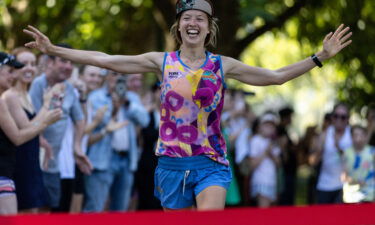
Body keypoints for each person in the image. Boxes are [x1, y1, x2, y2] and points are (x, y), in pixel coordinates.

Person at [23, 0, 352, 210]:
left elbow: (276, 76)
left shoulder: (222, 65)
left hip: (211, 162)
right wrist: (56, 51)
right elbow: (106, 60)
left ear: (208, 28)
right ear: (179, 26)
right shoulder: (161, 62)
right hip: (170, 165)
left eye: (199, 19)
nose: (192, 23)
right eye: (187, 18)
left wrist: (319, 57)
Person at [28, 44, 92, 210]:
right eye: (63, 61)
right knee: (32, 210)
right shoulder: (37, 84)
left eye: (72, 63)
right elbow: (30, 120)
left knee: (50, 208)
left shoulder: (69, 89)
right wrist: (40, 139)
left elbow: (79, 119)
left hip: (53, 164)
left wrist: (77, 146)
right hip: (33, 161)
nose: (69, 67)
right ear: (50, 61)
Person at [0, 51, 61, 215]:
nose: (13, 76)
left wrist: (42, 139)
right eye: (10, 71)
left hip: (18, 164)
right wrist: (47, 109)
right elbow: (21, 134)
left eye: (33, 64)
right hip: (13, 166)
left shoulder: (24, 95)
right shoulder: (8, 98)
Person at [311, 103, 353, 204]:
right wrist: (319, 151)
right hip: (325, 185)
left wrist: (339, 148)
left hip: (345, 186)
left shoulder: (353, 135)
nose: (339, 119)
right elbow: (312, 162)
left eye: (343, 117)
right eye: (336, 116)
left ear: (348, 119)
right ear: (332, 118)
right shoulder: (324, 135)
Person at [249, 113, 281, 208]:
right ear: (260, 127)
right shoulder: (255, 140)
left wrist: (271, 153)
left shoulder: (274, 142)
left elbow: (279, 164)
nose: (269, 128)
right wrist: (265, 152)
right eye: (266, 125)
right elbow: (252, 164)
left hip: (272, 181)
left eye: (271, 126)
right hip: (261, 181)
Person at [343, 125, 375, 203]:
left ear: (365, 136)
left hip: (369, 196)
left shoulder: (372, 152)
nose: (358, 138)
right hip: (351, 197)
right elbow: (343, 175)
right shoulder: (346, 153)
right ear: (351, 137)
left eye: (361, 135)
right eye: (355, 135)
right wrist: (354, 181)